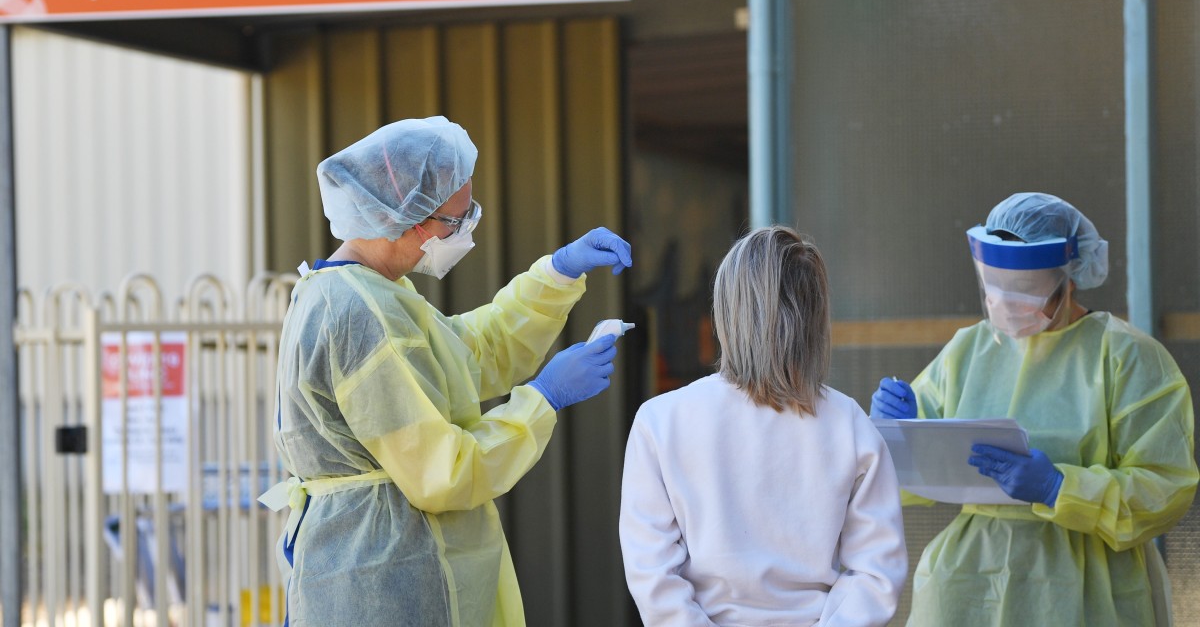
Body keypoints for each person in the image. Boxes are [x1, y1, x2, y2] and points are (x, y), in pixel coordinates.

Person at [261, 116, 633, 627]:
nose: (465, 233)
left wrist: (557, 273)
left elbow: (466, 355)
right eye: (455, 222)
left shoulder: (367, 293)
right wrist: (543, 397)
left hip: (383, 566)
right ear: (409, 220)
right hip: (385, 581)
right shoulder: (357, 314)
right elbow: (444, 470)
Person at [871, 192, 1199, 626]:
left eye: (1025, 290)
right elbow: (894, 480)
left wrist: (1060, 487)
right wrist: (895, 430)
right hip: (969, 584)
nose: (1007, 305)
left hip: (1089, 592)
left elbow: (1166, 487)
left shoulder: (1125, 356)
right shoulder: (968, 350)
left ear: (1069, 276)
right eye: (996, 286)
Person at [621, 226, 907, 626]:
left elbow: (653, 576)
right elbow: (877, 574)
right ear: (815, 318)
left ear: (726, 312)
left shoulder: (660, 421)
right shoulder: (849, 424)